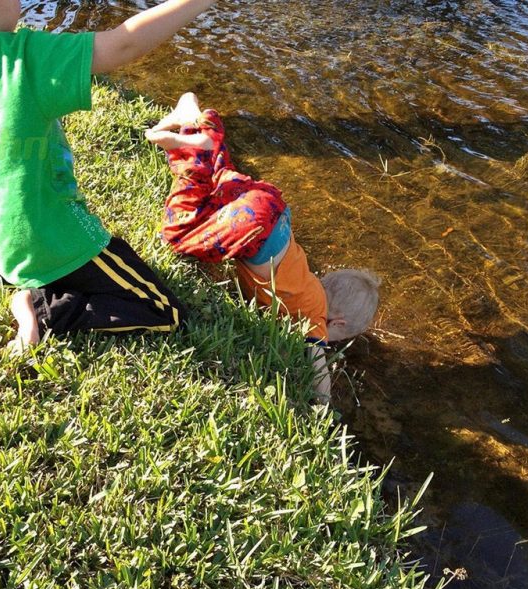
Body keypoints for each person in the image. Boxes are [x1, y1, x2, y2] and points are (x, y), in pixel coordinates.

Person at [0, 0, 219, 350]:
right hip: (55, 241)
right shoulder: (21, 57)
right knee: (164, 312)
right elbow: (122, 43)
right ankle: (42, 307)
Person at [145, 93, 380, 401]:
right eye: (336, 337)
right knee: (178, 236)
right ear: (338, 323)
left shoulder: (307, 284)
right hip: (254, 228)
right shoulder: (314, 314)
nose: (327, 339)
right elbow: (318, 367)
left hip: (273, 209)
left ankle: (195, 121)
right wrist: (324, 406)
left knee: (218, 178)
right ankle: (187, 148)